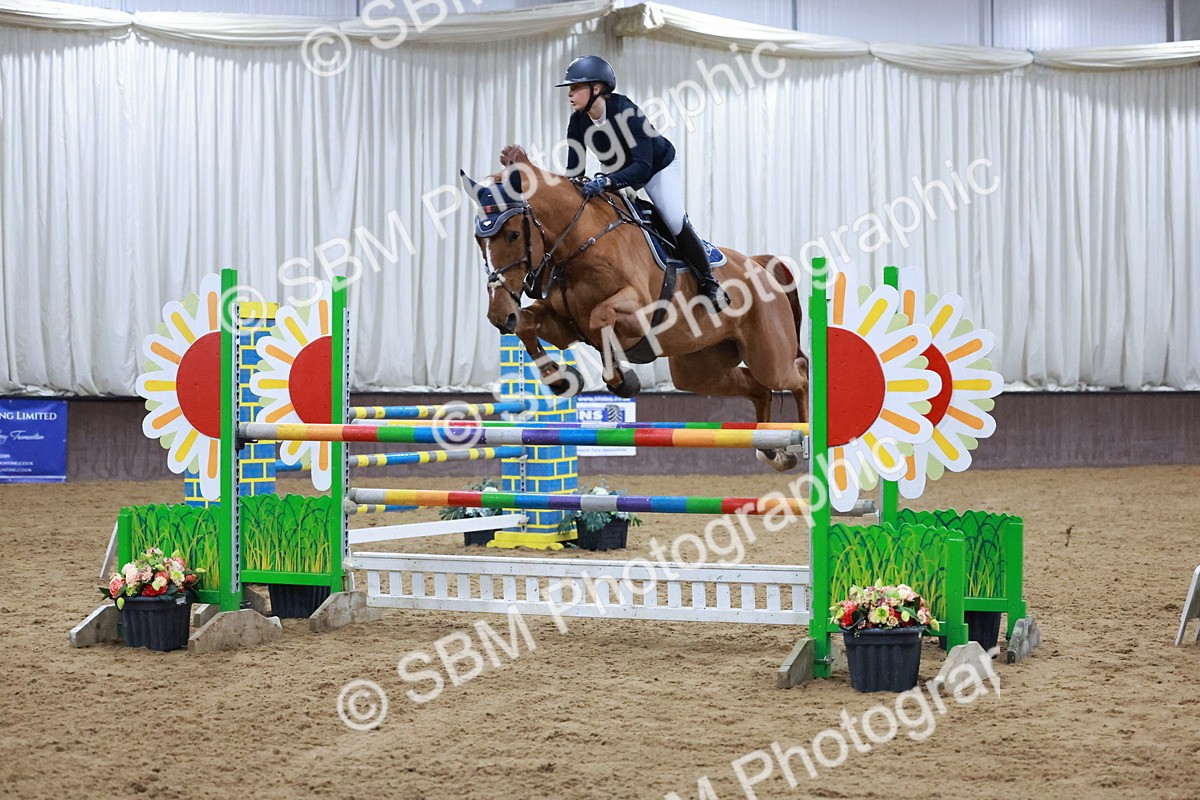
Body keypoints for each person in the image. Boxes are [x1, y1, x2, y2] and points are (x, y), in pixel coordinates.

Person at [556, 55, 730, 312]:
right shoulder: (578, 121)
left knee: (672, 219)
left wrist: (605, 181)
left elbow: (642, 168)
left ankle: (709, 282)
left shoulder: (626, 112)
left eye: (575, 88)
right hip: (617, 171)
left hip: (657, 167)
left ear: (596, 89)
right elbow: (575, 170)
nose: (570, 94)